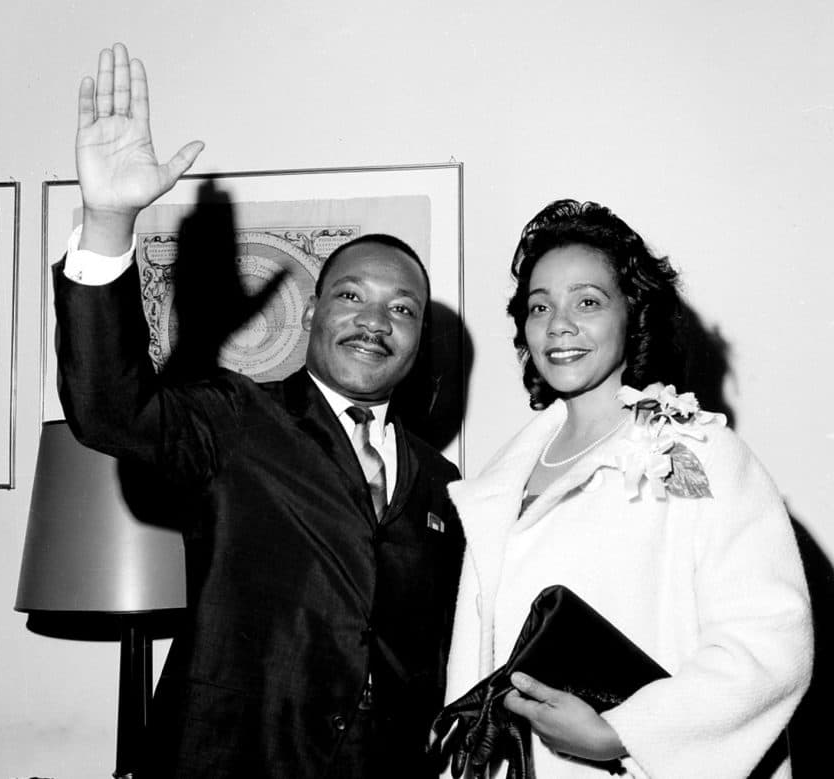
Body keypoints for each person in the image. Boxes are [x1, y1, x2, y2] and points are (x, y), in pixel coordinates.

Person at [53, 43, 464, 778]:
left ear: (418, 340)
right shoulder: (236, 418)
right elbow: (107, 408)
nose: (375, 319)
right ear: (309, 312)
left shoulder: (444, 483)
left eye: (401, 308)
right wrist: (108, 221)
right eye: (351, 296)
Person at [438, 199, 812, 778]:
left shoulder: (689, 453)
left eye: (587, 301)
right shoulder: (499, 479)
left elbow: (769, 644)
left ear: (632, 316)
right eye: (540, 307)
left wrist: (622, 734)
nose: (559, 324)